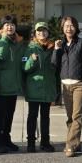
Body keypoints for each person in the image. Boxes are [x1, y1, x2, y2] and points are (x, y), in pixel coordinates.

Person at [51, 16, 82, 158]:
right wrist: (56, 49)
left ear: (76, 28)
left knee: (76, 116)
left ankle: (70, 145)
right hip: (65, 85)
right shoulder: (60, 44)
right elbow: (54, 64)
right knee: (70, 117)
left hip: (79, 85)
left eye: (72, 25)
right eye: (66, 26)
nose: (69, 28)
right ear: (62, 28)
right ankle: (76, 143)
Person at [23, 21, 58, 153]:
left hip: (48, 88)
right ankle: (31, 143)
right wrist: (31, 60)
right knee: (32, 116)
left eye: (44, 31)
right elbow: (25, 68)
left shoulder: (53, 47)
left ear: (48, 33)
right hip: (34, 88)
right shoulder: (30, 48)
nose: (41, 33)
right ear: (35, 34)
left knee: (45, 117)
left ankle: (45, 143)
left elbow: (57, 67)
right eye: (39, 31)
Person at [0, 15, 24, 153]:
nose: (10, 27)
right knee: (1, 113)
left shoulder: (18, 42)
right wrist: (4, 39)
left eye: (12, 25)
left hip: (13, 84)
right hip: (2, 84)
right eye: (7, 25)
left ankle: (6, 138)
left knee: (10, 113)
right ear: (2, 27)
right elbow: (0, 56)